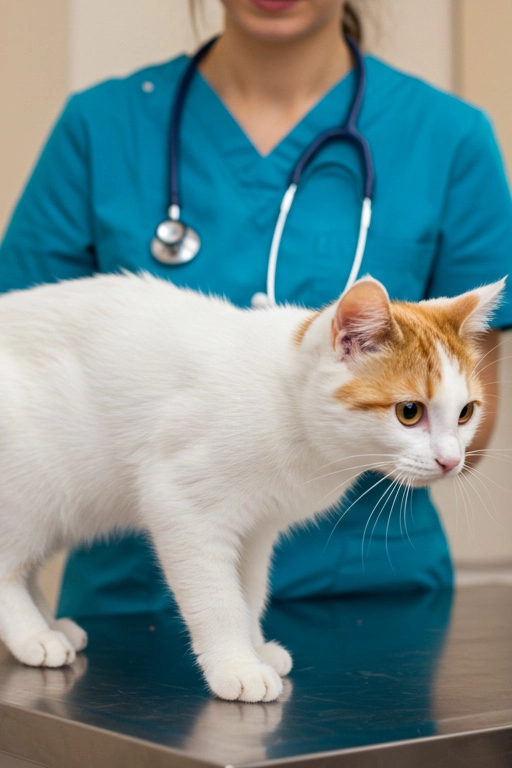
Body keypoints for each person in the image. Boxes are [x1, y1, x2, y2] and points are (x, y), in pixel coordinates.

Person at [1, 0, 511, 619]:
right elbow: (25, 355)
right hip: (132, 602)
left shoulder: (447, 137)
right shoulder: (102, 125)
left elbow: (467, 422)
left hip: (368, 600)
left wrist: (332, 415)